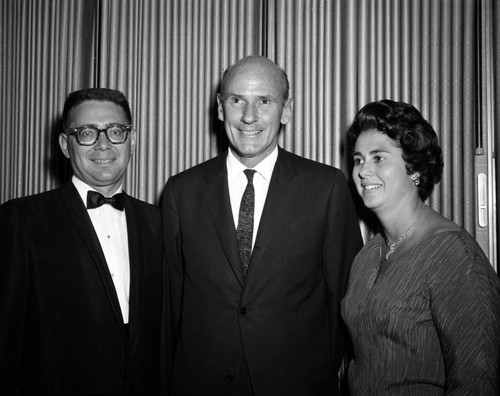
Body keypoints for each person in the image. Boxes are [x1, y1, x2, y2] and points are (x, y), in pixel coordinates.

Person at [160, 55, 363, 395]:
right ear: (220, 108)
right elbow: (170, 304)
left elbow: (347, 299)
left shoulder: (326, 187)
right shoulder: (182, 191)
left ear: (287, 110)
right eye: (237, 100)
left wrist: (312, 372)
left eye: (264, 101)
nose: (249, 116)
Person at [0, 88, 165, 394]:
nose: (103, 144)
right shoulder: (21, 220)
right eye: (87, 132)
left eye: (116, 131)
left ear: (133, 140)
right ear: (65, 145)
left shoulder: (158, 222)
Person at [341, 99, 500, 395]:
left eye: (379, 158)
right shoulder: (365, 257)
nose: (363, 171)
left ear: (413, 168)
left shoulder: (453, 255)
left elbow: (478, 381)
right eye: (359, 159)